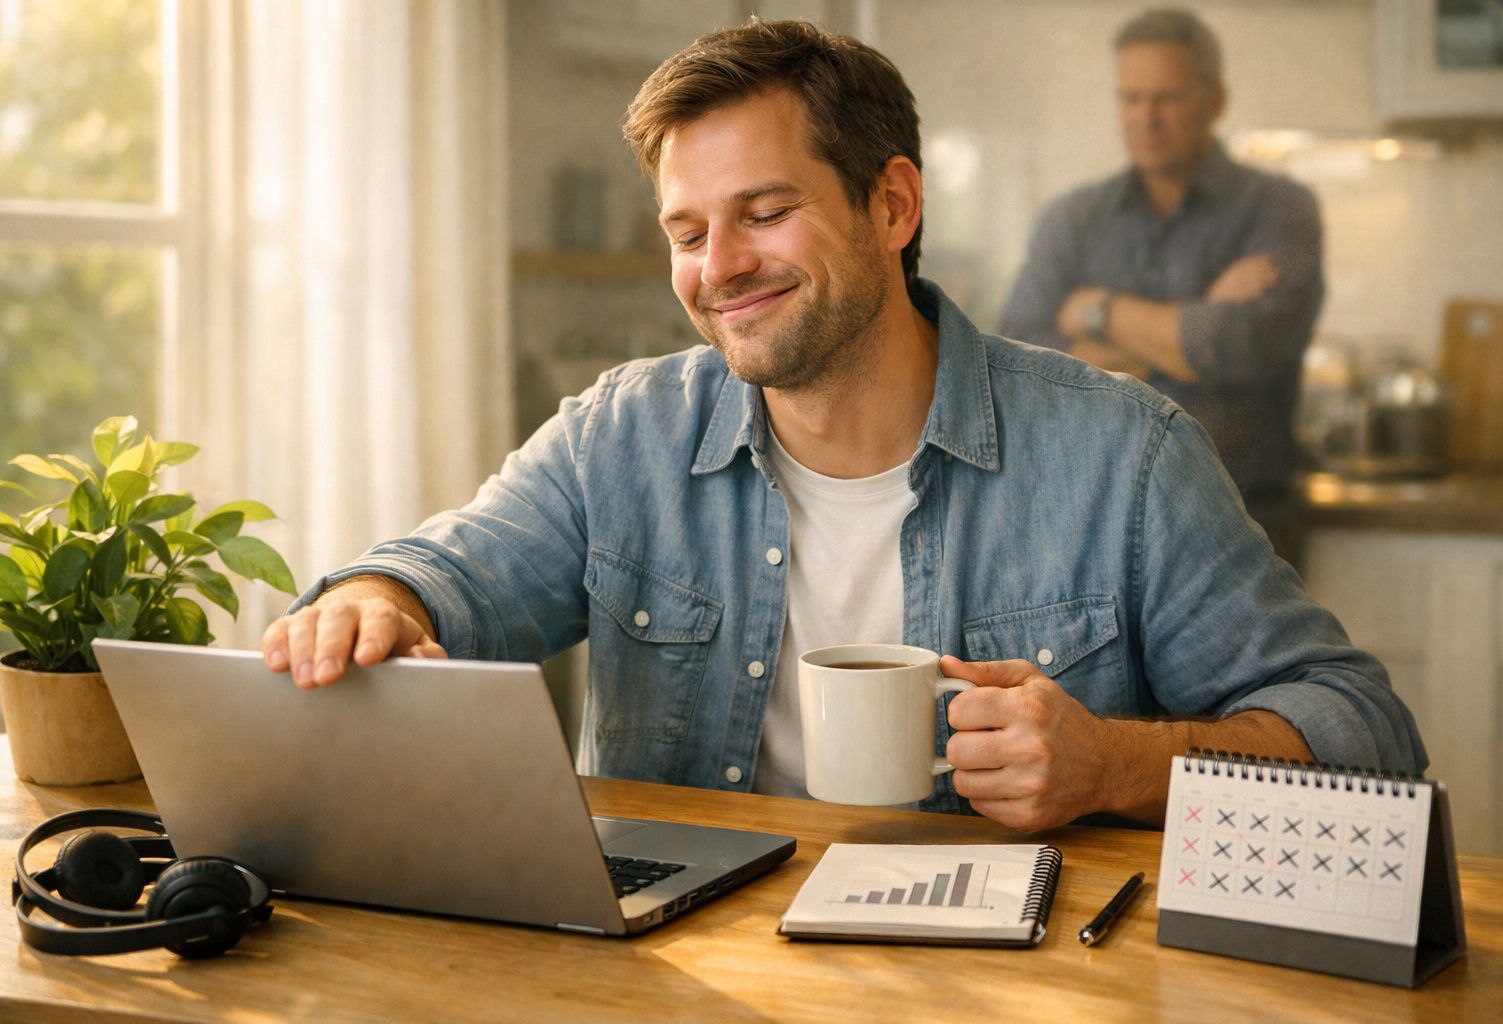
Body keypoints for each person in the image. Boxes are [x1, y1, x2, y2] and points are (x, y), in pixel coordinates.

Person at [262, 18, 1423, 834]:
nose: (719, 270)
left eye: (764, 213)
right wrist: (379, 600)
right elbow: (441, 578)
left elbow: (1363, 732)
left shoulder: (1125, 457)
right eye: (686, 231)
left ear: (894, 205)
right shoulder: (620, 437)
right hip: (683, 976)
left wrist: (1115, 764)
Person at [999, 7, 1322, 567]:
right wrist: (1193, 322)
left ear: (1213, 101)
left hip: (1242, 527)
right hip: (1090, 525)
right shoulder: (1072, 218)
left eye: (1167, 98)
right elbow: (1019, 363)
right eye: (1131, 98)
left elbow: (1240, 347)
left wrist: (1095, 312)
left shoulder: (1279, 208)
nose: (1145, 117)